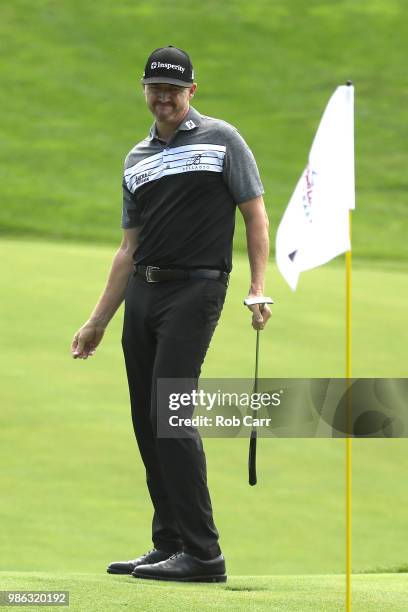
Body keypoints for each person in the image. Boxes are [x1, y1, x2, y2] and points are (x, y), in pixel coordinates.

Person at [71, 45, 271, 583]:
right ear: (144, 90)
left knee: (171, 412)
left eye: (174, 89)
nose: (164, 98)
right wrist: (97, 320)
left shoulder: (222, 140)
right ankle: (170, 542)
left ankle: (205, 556)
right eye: (155, 89)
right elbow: (127, 250)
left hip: (198, 289)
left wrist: (257, 286)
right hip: (144, 292)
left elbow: (255, 214)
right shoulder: (136, 159)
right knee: (147, 417)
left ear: (192, 91)